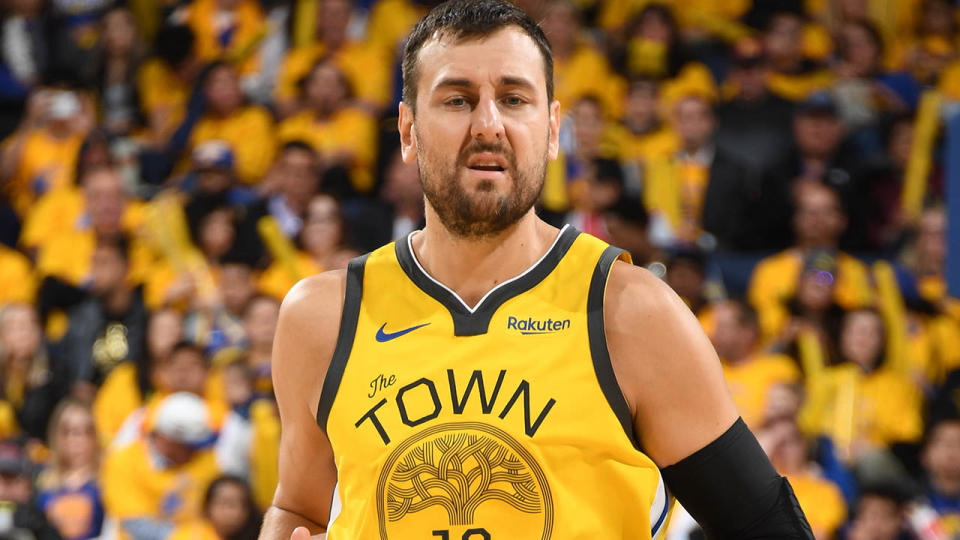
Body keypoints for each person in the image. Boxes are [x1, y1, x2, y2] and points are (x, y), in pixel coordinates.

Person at [261, 1, 813, 539]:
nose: (488, 123)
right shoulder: (322, 316)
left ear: (552, 131)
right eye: (456, 100)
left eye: (513, 98)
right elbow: (297, 510)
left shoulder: (632, 312)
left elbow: (766, 527)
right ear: (407, 130)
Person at [101, 392, 221, 539]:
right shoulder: (124, 460)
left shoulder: (206, 457)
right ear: (167, 439)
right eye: (189, 446)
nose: (195, 452)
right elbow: (137, 525)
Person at [36, 400, 104, 540]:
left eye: (85, 431)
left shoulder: (106, 479)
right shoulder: (44, 481)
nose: (76, 440)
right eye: (68, 432)